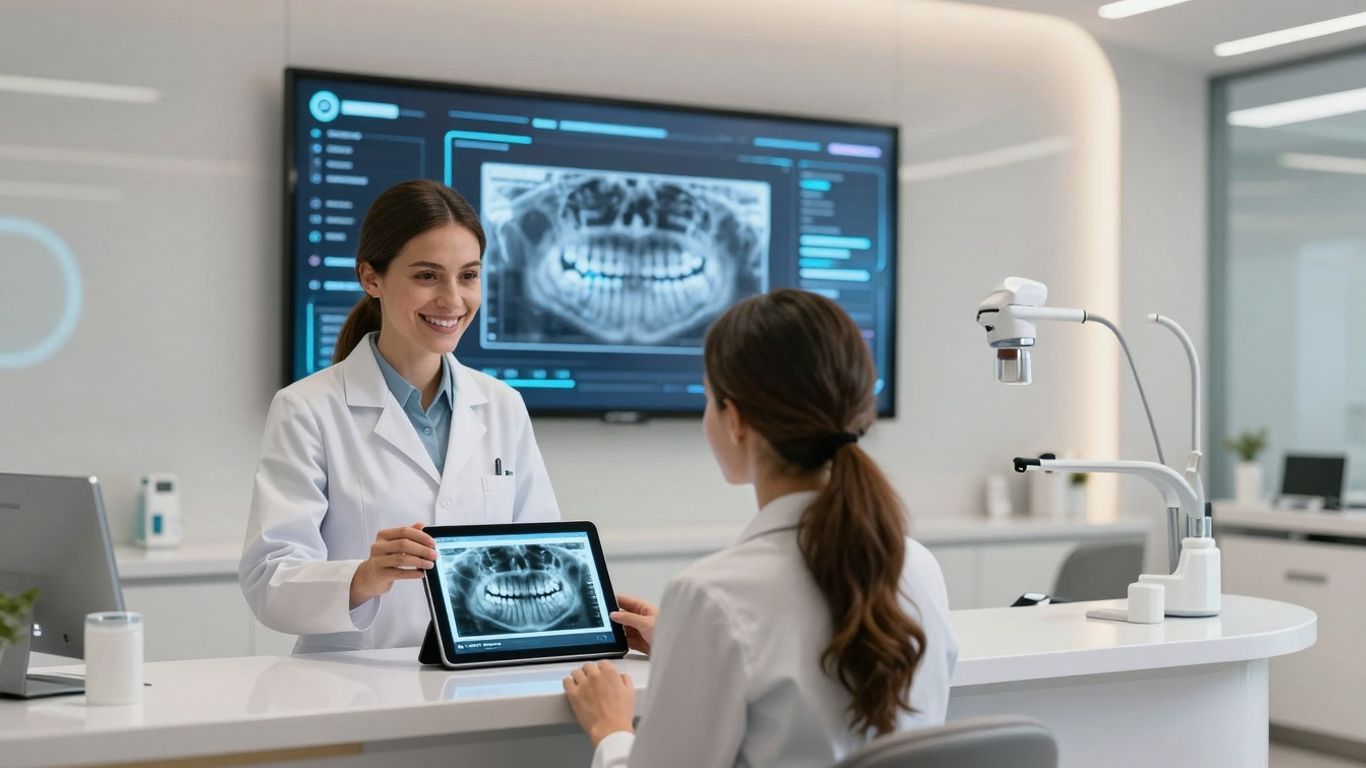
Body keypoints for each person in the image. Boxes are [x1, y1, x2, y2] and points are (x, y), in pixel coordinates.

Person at [562, 289, 957, 767]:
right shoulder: (917, 566)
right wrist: (690, 648)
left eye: (709, 398)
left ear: (736, 419)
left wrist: (611, 730)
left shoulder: (712, 595)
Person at [240, 179, 560, 653]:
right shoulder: (307, 408)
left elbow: (545, 556)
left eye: (468, 275)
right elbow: (270, 582)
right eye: (427, 276)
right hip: (351, 690)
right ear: (372, 278)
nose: (453, 300)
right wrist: (364, 576)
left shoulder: (501, 404)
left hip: (482, 682)